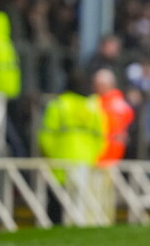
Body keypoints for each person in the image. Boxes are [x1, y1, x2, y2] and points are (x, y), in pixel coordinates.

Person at [38, 68, 107, 223]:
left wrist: (52, 154)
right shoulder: (93, 107)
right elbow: (101, 138)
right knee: (82, 209)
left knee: (56, 210)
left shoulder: (58, 105)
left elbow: (45, 135)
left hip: (60, 165)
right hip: (86, 165)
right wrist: (92, 156)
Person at [93, 68, 134, 165]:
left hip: (110, 157)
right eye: (96, 85)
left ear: (111, 84)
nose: (98, 88)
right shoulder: (97, 102)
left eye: (101, 85)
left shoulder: (118, 106)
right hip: (97, 156)